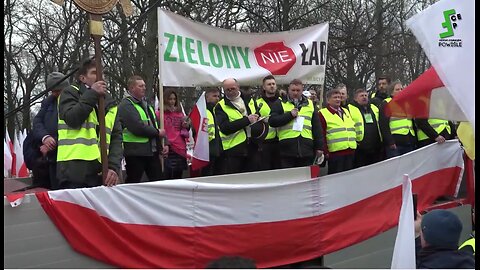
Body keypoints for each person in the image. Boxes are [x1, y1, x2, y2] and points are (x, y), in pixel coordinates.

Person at [56, 58, 123, 188]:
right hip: (74, 168)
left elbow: (116, 138)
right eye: (94, 72)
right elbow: (72, 118)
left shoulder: (110, 103)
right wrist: (92, 93)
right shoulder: (70, 93)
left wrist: (113, 167)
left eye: (102, 73)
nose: (100, 76)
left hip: (100, 170)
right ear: (83, 78)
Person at [118, 75, 168, 183]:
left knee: (158, 181)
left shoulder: (146, 105)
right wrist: (157, 132)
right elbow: (137, 127)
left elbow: (156, 125)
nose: (144, 88)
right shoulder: (126, 105)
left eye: (144, 85)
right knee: (133, 182)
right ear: (131, 88)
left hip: (151, 151)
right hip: (135, 153)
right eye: (140, 86)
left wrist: (163, 144)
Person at [27, 72, 70, 189]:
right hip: (51, 159)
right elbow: (37, 122)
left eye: (59, 90)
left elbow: (72, 128)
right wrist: (45, 137)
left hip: (67, 157)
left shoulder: (72, 101)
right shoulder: (48, 103)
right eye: (54, 91)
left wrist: (52, 143)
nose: (56, 94)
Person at [269, 79, 323, 169]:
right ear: (288, 90)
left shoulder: (310, 104)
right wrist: (289, 115)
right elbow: (272, 121)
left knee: (305, 179)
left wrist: (319, 147)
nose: (295, 93)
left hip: (306, 148)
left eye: (298, 90)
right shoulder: (280, 102)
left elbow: (317, 127)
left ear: (302, 90)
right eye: (293, 90)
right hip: (287, 149)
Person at [214, 78, 261, 174]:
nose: (230, 91)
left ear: (238, 87)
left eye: (233, 88)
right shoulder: (220, 106)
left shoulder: (249, 99)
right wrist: (246, 120)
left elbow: (256, 115)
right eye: (227, 90)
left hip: (253, 146)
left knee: (253, 179)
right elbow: (224, 128)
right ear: (223, 90)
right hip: (233, 150)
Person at [319, 88, 356, 174]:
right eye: (335, 97)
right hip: (335, 153)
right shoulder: (323, 113)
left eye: (339, 97)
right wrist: (325, 151)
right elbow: (322, 134)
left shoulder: (346, 111)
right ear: (328, 100)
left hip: (350, 151)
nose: (338, 99)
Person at [251, 75, 281, 171]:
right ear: (264, 87)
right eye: (269, 84)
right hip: (264, 143)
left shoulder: (283, 102)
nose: (272, 86)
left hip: (280, 141)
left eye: (273, 84)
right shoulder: (257, 103)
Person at [379, 81, 416, 158]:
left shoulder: (407, 103)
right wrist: (390, 142)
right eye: (397, 89)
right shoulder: (386, 103)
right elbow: (383, 125)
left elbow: (411, 122)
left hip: (409, 140)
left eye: (402, 89)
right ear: (391, 92)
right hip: (395, 143)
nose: (400, 91)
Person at [347, 88, 383, 168]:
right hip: (360, 147)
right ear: (355, 98)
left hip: (376, 146)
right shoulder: (349, 108)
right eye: (361, 96)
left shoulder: (374, 108)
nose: (364, 97)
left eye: (366, 95)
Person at [163, 88, 190, 179]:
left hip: (180, 148)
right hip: (168, 147)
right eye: (170, 99)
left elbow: (185, 131)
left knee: (178, 176)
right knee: (168, 176)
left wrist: (186, 125)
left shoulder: (180, 114)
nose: (172, 101)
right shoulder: (159, 114)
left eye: (174, 99)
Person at [201, 87, 223, 176]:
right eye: (214, 96)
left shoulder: (214, 110)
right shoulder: (203, 111)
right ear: (206, 97)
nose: (217, 98)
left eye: (218, 96)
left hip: (215, 150)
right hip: (207, 150)